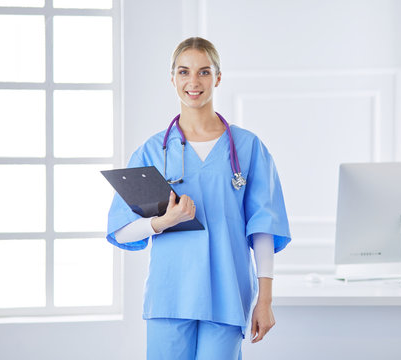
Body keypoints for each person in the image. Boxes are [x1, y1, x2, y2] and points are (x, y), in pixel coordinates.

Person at [105, 37, 291, 360]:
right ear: (173, 79)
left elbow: (262, 228)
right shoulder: (152, 152)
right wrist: (162, 222)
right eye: (184, 72)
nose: (194, 82)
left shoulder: (247, 149)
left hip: (227, 294)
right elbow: (121, 229)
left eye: (204, 72)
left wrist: (266, 299)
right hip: (170, 297)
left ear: (218, 77)